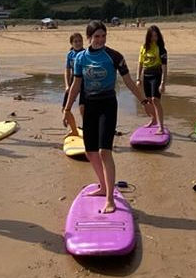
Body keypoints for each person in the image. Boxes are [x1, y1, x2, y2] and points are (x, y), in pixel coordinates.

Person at [63, 20, 149, 214]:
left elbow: (128, 82)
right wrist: (67, 108)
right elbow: (76, 85)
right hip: (90, 106)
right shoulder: (80, 58)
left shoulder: (114, 56)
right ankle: (102, 186)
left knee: (104, 151)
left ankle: (110, 198)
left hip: (107, 105)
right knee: (90, 152)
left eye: (103, 36)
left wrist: (144, 101)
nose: (100, 40)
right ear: (89, 38)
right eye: (96, 36)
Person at [136, 25, 168, 134]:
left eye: (156, 36)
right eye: (152, 36)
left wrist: (163, 83)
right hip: (146, 75)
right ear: (148, 36)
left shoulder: (161, 49)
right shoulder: (143, 47)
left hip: (156, 75)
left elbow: (164, 67)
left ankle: (161, 127)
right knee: (149, 100)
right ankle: (153, 120)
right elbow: (140, 63)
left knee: (155, 100)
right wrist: (138, 78)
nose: (154, 38)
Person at [63, 32, 85, 137]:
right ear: (71, 43)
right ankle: (73, 130)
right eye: (75, 41)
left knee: (83, 108)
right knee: (65, 107)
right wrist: (67, 85)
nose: (78, 43)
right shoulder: (70, 54)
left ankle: (87, 128)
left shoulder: (86, 53)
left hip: (85, 81)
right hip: (73, 80)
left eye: (80, 41)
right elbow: (67, 70)